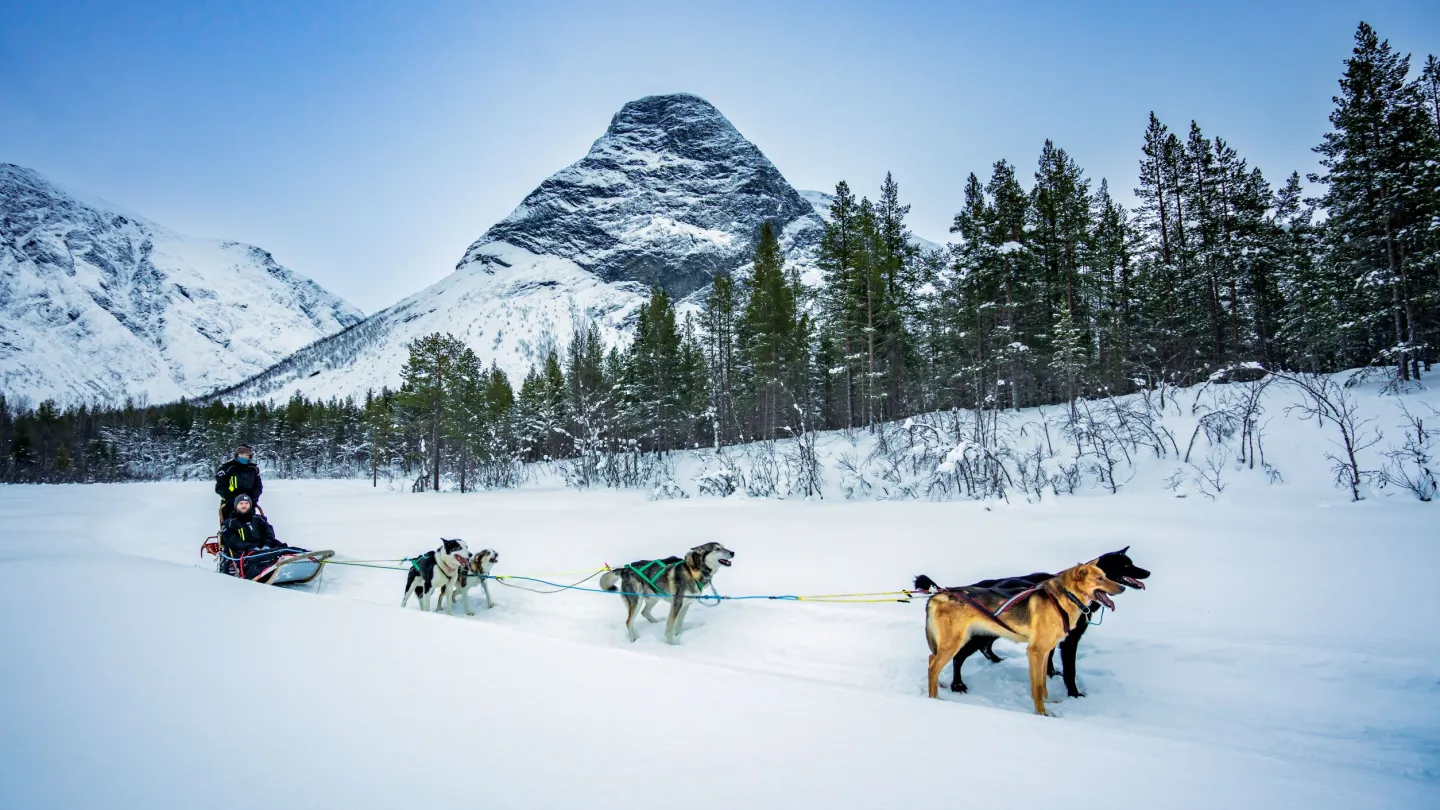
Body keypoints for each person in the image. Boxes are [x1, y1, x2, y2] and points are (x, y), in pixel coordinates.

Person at [218, 494, 285, 579]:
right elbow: (232, 541)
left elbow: (269, 534)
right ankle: (266, 569)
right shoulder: (230, 523)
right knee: (257, 559)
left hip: (264, 548)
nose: (244, 506)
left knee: (281, 548)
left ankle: (296, 558)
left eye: (246, 503)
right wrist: (251, 548)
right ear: (236, 506)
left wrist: (266, 545)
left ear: (250, 505)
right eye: (241, 503)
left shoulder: (259, 519)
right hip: (245, 552)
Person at [215, 444, 263, 522]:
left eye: (246, 455)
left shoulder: (253, 469)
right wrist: (230, 497)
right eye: (242, 454)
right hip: (229, 502)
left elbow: (258, 486)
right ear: (237, 455)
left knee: (251, 526)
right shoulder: (227, 468)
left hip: (248, 503)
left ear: (250, 457)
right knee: (230, 525)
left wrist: (253, 498)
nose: (244, 457)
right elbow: (220, 486)